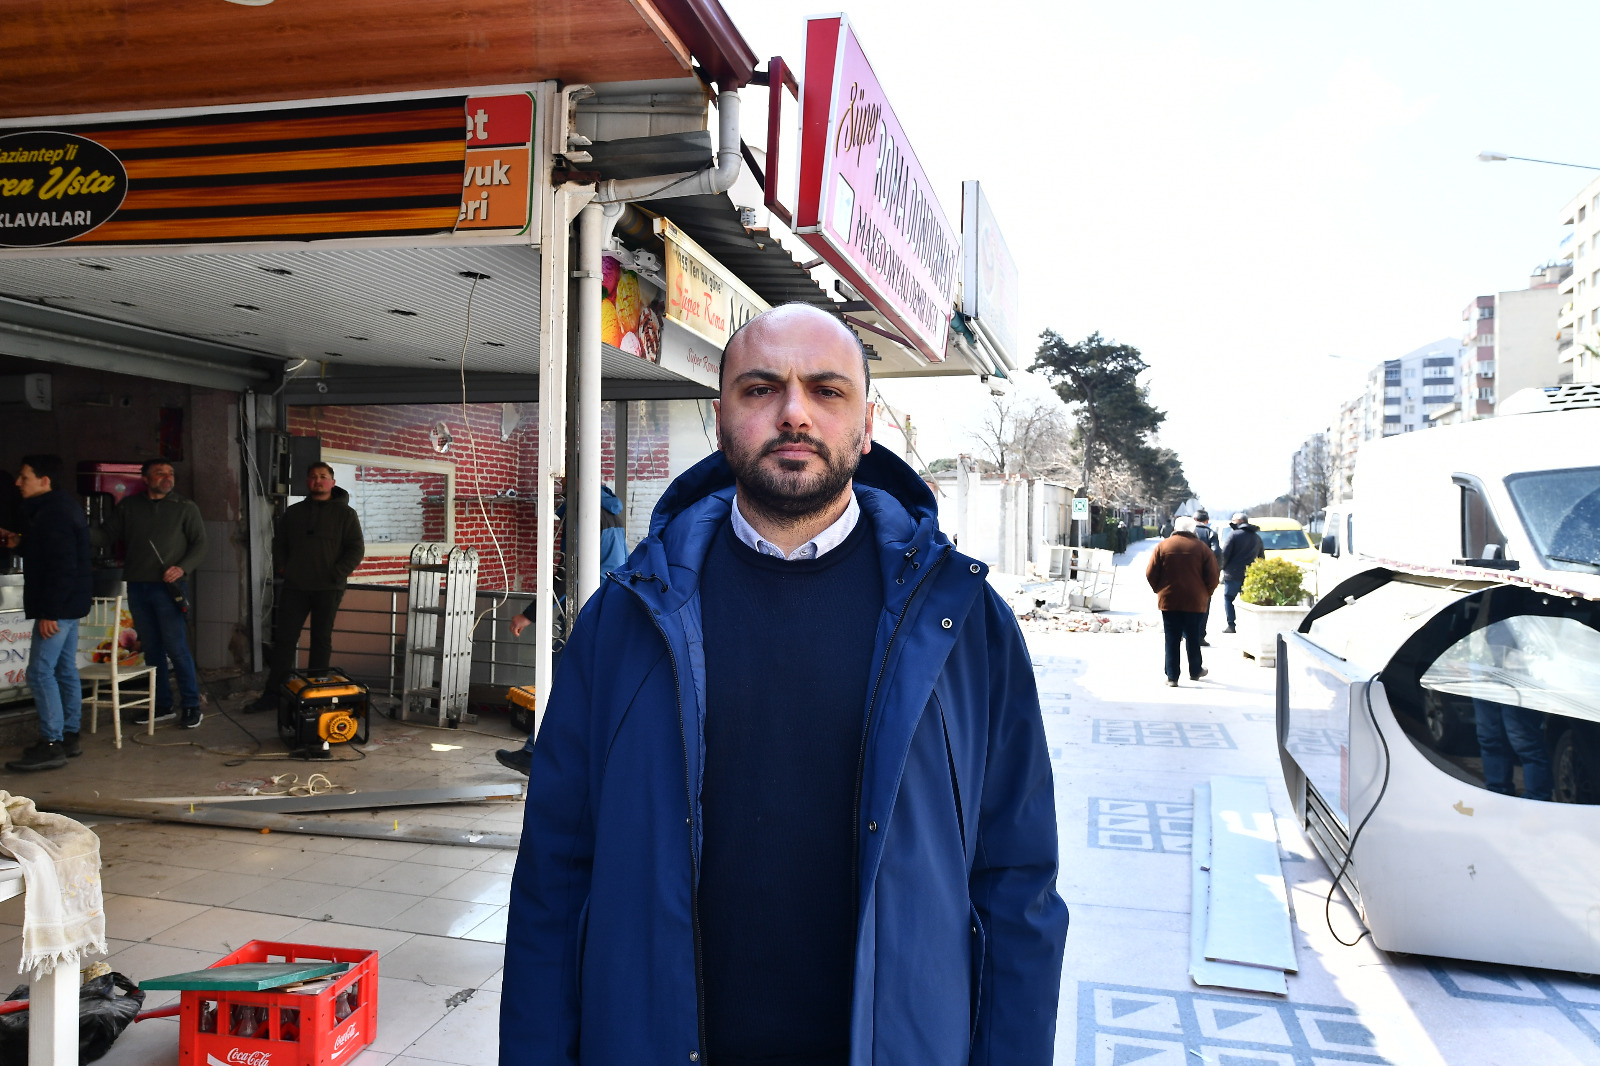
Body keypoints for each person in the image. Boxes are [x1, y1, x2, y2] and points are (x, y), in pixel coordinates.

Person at [500, 303, 1069, 1065]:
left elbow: (1017, 886)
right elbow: (555, 875)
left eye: (827, 391)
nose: (794, 413)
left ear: (866, 427)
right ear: (720, 420)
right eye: (761, 388)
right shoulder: (625, 619)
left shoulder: (965, 624)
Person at [496, 480, 626, 774]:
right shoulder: (609, 510)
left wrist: (528, 615)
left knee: (555, 681)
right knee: (587, 687)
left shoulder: (583, 513)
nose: (557, 484)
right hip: (609, 609)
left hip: (585, 613)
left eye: (563, 478)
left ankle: (536, 753)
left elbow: (568, 574)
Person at [95, 459, 207, 728]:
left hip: (168, 588)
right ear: (145, 479)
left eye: (170, 473)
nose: (167, 477)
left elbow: (200, 544)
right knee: (151, 649)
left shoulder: (185, 507)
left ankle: (191, 705)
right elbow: (105, 535)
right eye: (160, 473)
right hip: (137, 585)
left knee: (177, 648)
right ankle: (162, 705)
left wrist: (182, 568)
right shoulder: (129, 506)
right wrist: (73, 531)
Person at [1, 455, 92, 771]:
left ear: (44, 480)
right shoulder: (57, 508)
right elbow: (47, 552)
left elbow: (62, 566)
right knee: (64, 669)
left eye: (24, 477)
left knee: (40, 672)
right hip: (69, 604)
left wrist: (50, 612)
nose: (18, 483)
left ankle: (51, 743)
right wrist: (18, 542)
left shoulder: (54, 513)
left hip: (59, 607)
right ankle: (69, 736)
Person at [250, 462, 365, 709]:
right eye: (313, 476)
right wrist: (284, 569)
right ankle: (273, 695)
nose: (318, 480)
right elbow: (279, 544)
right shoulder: (294, 513)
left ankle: (314, 696)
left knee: (320, 640)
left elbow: (356, 549)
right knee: (284, 640)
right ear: (307, 482)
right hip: (296, 586)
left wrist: (337, 573)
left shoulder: (346, 514)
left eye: (323, 476)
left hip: (329, 587)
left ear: (332, 483)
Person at [1145, 515, 1219, 687]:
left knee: (1171, 637)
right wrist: (1205, 593)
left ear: (1175, 529)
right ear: (1193, 530)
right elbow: (1213, 576)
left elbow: (1150, 573)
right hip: (1195, 600)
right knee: (1193, 636)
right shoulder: (1202, 548)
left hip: (1169, 600)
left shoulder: (1163, 546)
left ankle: (1172, 676)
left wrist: (1160, 590)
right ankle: (1195, 670)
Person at [1218, 511, 1265, 634]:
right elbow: (1261, 558)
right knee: (1248, 601)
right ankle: (1249, 626)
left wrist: (1221, 568)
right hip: (1250, 575)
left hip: (1233, 574)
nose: (1232, 523)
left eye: (1234, 520)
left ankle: (1231, 625)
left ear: (1240, 521)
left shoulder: (1233, 535)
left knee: (1229, 598)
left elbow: (1225, 555)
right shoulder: (1256, 537)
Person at [1192, 509, 1221, 646]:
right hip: (1204, 576)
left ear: (1194, 520)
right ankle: (1199, 636)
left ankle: (1183, 633)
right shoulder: (1211, 533)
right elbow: (1216, 552)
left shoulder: (1188, 533)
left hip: (1187, 574)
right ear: (1207, 521)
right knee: (1203, 606)